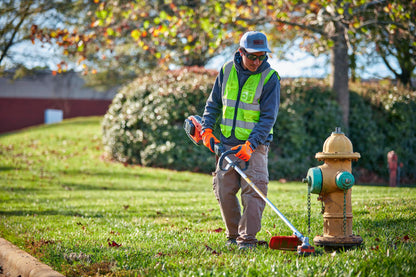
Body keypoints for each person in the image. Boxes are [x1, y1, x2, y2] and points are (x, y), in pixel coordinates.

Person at [201, 31, 281, 250]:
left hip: (254, 146)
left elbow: (268, 118)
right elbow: (213, 104)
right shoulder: (226, 71)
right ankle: (234, 236)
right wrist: (207, 129)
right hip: (226, 145)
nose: (257, 62)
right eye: (252, 56)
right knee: (223, 189)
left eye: (261, 57)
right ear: (241, 52)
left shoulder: (270, 78)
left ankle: (247, 240)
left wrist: (251, 145)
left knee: (253, 192)